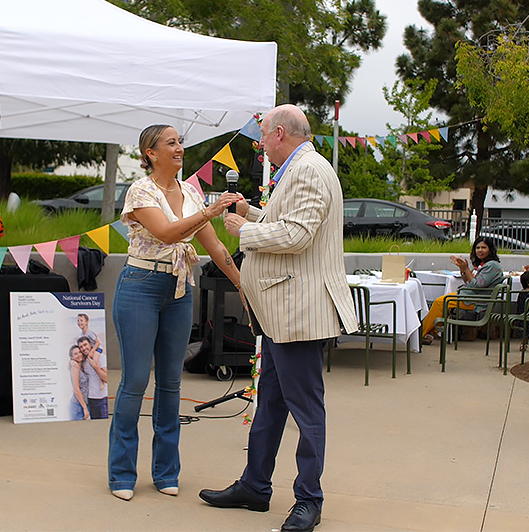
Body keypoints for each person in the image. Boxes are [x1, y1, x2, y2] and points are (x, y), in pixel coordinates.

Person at [199, 104, 357, 532]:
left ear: (281, 133)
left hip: (296, 313)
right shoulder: (297, 167)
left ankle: (309, 499)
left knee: (306, 411)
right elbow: (283, 221)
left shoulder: (307, 170)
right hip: (280, 313)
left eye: (263, 134)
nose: (259, 142)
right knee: (269, 404)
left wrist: (241, 231)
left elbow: (297, 235)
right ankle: (255, 486)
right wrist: (249, 212)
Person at [108, 124, 243, 502]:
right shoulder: (141, 190)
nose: (180, 148)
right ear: (151, 153)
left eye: (180, 142)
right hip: (141, 287)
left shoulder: (190, 191)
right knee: (135, 381)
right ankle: (121, 473)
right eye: (172, 143)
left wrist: (240, 283)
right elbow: (167, 233)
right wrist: (212, 211)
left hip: (180, 289)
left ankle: (166, 471)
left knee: (171, 384)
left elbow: (213, 245)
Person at [420, 236, 505, 344]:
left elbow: (476, 285)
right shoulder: (484, 265)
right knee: (442, 302)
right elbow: (469, 282)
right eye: (477, 248)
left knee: (440, 303)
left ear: (490, 249)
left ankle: (421, 334)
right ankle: (430, 334)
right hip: (470, 296)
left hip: (476, 301)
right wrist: (463, 269)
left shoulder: (492, 266)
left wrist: (466, 269)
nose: (480, 250)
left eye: (484, 247)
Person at [78, 336, 107, 419]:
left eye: (85, 345)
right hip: (91, 399)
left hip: (102, 398)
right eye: (81, 347)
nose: (84, 348)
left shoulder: (101, 357)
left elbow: (106, 378)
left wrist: (96, 367)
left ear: (90, 344)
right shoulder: (83, 361)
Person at [68, 345, 90, 421]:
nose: (79, 355)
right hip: (77, 405)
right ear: (72, 357)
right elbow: (76, 390)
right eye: (75, 354)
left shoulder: (81, 365)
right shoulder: (75, 367)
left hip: (83, 403)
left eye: (79, 352)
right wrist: (85, 408)